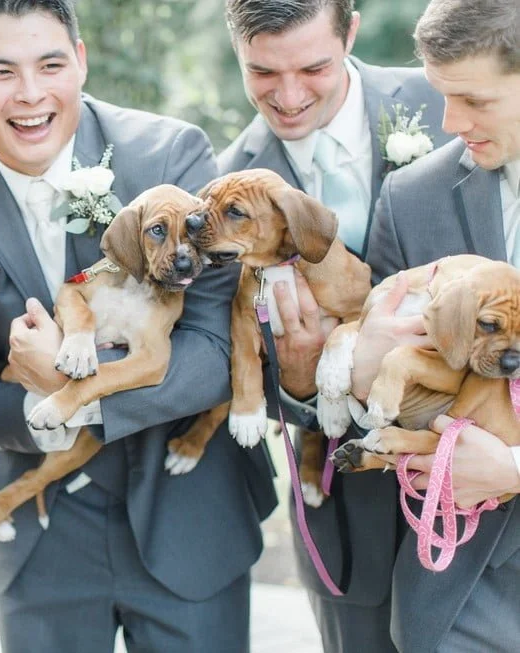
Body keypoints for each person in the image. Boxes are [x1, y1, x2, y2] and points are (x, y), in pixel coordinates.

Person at [0, 1, 277, 651]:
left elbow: (217, 344)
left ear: (80, 62)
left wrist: (78, 391)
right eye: (0, 71)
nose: (30, 94)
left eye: (50, 64)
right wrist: (46, 405)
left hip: (188, 519)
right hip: (42, 538)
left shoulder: (173, 154)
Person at [219, 1, 453, 650]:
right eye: (262, 71)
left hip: (480, 482)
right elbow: (226, 351)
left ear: (350, 31)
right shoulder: (225, 182)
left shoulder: (449, 104)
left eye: (314, 66)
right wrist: (293, 383)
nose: (289, 97)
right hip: (346, 508)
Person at [349, 0, 520, 649]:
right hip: (458, 600)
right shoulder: (411, 197)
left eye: (473, 99)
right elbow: (376, 397)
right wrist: (361, 367)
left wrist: (513, 464)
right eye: (442, 95)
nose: (450, 122)